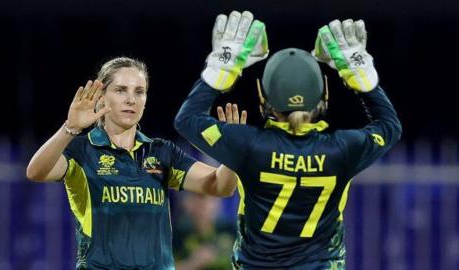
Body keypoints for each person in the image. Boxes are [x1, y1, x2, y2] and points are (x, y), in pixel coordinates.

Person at [175, 11, 402, 270]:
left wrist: (224, 66)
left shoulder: (248, 145)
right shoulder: (344, 149)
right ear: (324, 94)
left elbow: (187, 119)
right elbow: (390, 127)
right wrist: (360, 75)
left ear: (263, 97)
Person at [26, 56, 245, 270]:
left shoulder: (162, 151)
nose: (131, 99)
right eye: (121, 90)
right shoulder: (82, 150)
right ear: (101, 97)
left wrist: (231, 154)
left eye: (139, 92)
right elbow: (36, 172)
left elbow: (220, 186)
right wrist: (69, 129)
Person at [173, 193, 235, 270]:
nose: (203, 205)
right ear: (187, 203)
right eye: (196, 198)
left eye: (207, 200)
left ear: (218, 203)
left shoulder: (229, 229)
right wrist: (192, 263)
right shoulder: (178, 234)